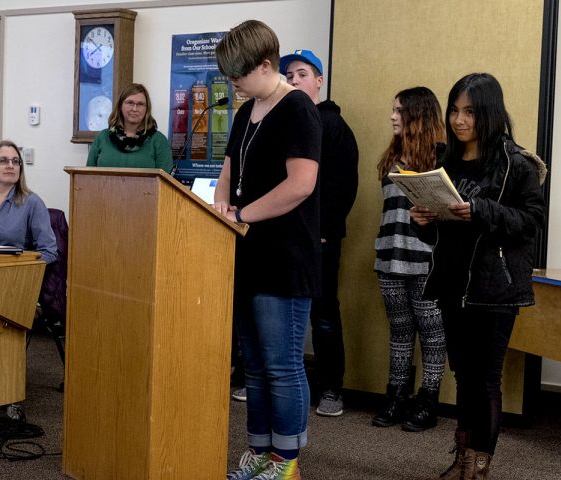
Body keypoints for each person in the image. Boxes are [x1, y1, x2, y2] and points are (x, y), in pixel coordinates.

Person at [410, 73, 546, 479]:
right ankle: (462, 456)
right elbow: (442, 228)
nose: (458, 119)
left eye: (468, 111)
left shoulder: (517, 163)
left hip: (495, 286)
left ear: (488, 112)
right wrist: (423, 221)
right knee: (464, 375)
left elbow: (532, 221)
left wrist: (481, 210)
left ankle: (477, 467)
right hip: (454, 282)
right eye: (454, 110)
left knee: (486, 379)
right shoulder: (445, 161)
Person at [214, 20, 321, 480]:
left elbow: (301, 185)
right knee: (254, 367)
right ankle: (259, 452)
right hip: (246, 255)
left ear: (265, 64)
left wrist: (241, 215)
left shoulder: (298, 109)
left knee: (282, 366)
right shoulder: (245, 111)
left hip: (285, 257)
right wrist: (220, 203)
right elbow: (229, 169)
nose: (232, 83)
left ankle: (286, 461)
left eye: (238, 74)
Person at [280, 49, 359, 417]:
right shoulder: (285, 120)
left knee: (324, 312)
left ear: (319, 80)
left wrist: (325, 231)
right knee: (282, 310)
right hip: (284, 236)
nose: (294, 80)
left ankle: (331, 389)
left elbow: (343, 187)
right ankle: (276, 382)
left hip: (321, 239)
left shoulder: (334, 127)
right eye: (289, 75)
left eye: (301, 73)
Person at [372, 87, 447, 432]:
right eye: (392, 109)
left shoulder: (442, 159)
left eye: (399, 110)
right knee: (400, 331)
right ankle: (396, 394)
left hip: (427, 261)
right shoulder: (391, 158)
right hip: (389, 257)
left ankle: (427, 399)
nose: (392, 116)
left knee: (432, 333)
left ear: (418, 115)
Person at [86, 83, 173, 172]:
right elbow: (87, 177)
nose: (134, 109)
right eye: (130, 103)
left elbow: (165, 183)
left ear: (147, 109)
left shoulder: (158, 141)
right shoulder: (102, 138)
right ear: (120, 106)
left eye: (140, 104)